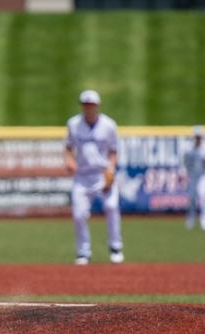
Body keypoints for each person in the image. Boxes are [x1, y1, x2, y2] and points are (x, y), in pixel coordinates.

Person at [64, 89, 124, 265]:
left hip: (102, 173)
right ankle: (83, 252)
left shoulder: (109, 125)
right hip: (82, 176)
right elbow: (68, 147)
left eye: (91, 105)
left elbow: (114, 150)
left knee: (112, 207)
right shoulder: (73, 124)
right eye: (85, 105)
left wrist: (111, 170)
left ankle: (115, 247)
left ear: (97, 106)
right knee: (78, 214)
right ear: (82, 106)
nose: (88, 108)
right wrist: (69, 161)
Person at [183, 125, 205, 231]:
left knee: (203, 196)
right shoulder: (188, 149)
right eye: (196, 136)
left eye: (199, 136)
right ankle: (191, 218)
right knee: (192, 197)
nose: (198, 138)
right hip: (193, 175)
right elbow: (185, 163)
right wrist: (185, 174)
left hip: (204, 175)